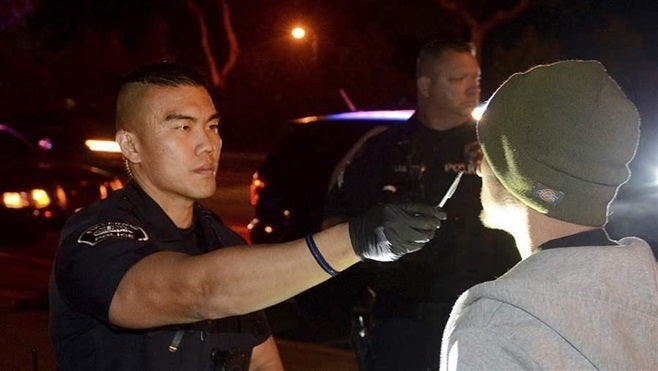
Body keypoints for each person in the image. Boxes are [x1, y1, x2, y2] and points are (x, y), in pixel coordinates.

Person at [48, 62, 445, 370]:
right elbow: (199, 291)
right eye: (183, 127)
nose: (208, 144)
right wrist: (355, 240)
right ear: (130, 146)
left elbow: (261, 357)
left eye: (212, 125)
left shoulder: (222, 241)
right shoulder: (95, 237)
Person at [440, 60, 657, 369]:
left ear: (515, 175)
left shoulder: (496, 328)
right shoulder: (644, 295)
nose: (478, 168)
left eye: (485, 152)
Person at [322, 39, 521, 370]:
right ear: (426, 85)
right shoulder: (382, 150)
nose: (472, 89)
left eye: (476, 79)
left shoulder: (496, 148)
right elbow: (333, 227)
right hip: (405, 322)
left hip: (488, 316)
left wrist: (497, 173)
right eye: (458, 79)